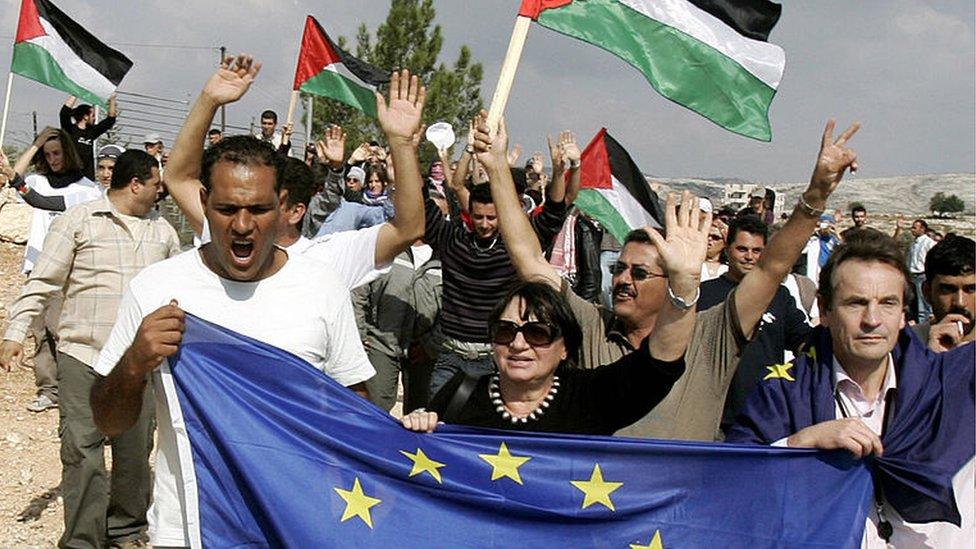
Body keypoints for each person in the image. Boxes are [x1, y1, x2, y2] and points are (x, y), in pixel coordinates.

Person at [89, 52, 377, 549]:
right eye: (226, 209)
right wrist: (135, 362)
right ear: (203, 203)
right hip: (190, 530)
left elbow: (355, 413)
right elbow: (108, 420)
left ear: (283, 207)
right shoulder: (157, 288)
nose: (242, 226)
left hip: (294, 524)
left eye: (258, 209)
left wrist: (410, 435)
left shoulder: (320, 287)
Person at [495, 118, 862, 441]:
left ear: (672, 279)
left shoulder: (711, 335)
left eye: (639, 273)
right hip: (598, 511)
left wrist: (816, 195)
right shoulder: (592, 327)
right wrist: (496, 168)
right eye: (618, 269)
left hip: (679, 512)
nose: (623, 280)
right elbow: (529, 260)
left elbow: (770, 268)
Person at [727, 230, 974, 547]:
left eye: (887, 303)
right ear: (825, 310)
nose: (872, 320)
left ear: (903, 314)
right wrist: (799, 445)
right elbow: (730, 484)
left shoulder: (950, 387)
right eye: (856, 303)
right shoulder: (782, 395)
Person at [2, 150, 179, 548]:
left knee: (134, 454)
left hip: (137, 364)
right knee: (83, 453)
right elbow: (43, 282)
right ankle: (83, 539)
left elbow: (178, 295)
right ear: (136, 184)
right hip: (83, 355)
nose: (160, 191)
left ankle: (126, 530)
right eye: (155, 184)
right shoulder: (78, 222)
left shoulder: (163, 232)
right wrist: (15, 333)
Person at [164, 59, 427, 293]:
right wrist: (208, 101)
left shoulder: (327, 259)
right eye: (233, 207)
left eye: (261, 205)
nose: (242, 222)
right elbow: (178, 178)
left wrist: (400, 143)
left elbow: (408, 228)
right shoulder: (225, 237)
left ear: (295, 211)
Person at [402, 280, 687, 434]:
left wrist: (684, 284)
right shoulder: (461, 393)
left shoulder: (589, 397)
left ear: (565, 347)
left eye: (537, 333)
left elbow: (656, 367)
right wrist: (416, 428)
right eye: (505, 331)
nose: (517, 344)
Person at [423, 116, 572, 397]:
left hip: (492, 359)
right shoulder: (452, 239)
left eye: (492, 217)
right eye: (477, 217)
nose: (484, 224)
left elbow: (553, 215)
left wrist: (562, 171)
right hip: (450, 356)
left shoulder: (515, 250)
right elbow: (424, 208)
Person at [8, 127, 102, 413]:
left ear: (69, 152)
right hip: (36, 264)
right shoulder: (39, 180)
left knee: (62, 330)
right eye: (47, 154)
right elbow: (15, 178)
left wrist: (14, 176)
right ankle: (48, 389)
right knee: (39, 332)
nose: (52, 159)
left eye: (57, 152)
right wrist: (35, 143)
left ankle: (77, 391)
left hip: (68, 269)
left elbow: (39, 201)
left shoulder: (87, 189)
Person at [697, 215, 813, 436]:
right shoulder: (704, 294)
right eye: (742, 249)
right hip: (712, 419)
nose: (749, 257)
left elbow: (804, 342)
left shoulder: (778, 295)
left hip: (764, 417)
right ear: (728, 249)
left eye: (757, 251)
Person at [354, 241, 442, 412]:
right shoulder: (385, 243)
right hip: (380, 343)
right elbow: (358, 292)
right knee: (374, 409)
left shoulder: (448, 250)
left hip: (424, 352)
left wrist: (431, 346)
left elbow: (455, 308)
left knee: (421, 414)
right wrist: (359, 335)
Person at [913, 234, 975, 351]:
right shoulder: (908, 345)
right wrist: (932, 360)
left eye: (971, 289)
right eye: (947, 290)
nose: (960, 302)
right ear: (927, 292)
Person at [59, 94, 118, 180]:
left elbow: (111, 119)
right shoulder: (69, 130)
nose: (94, 118)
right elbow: (64, 112)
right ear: (85, 117)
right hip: (69, 177)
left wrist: (112, 99)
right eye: (93, 115)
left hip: (87, 179)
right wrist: (75, 92)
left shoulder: (92, 131)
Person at [903, 218, 937, 323]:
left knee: (923, 304)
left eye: (914, 227)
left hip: (922, 275)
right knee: (913, 303)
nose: (912, 230)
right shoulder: (913, 243)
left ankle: (923, 326)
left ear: (922, 229)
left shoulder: (929, 243)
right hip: (912, 276)